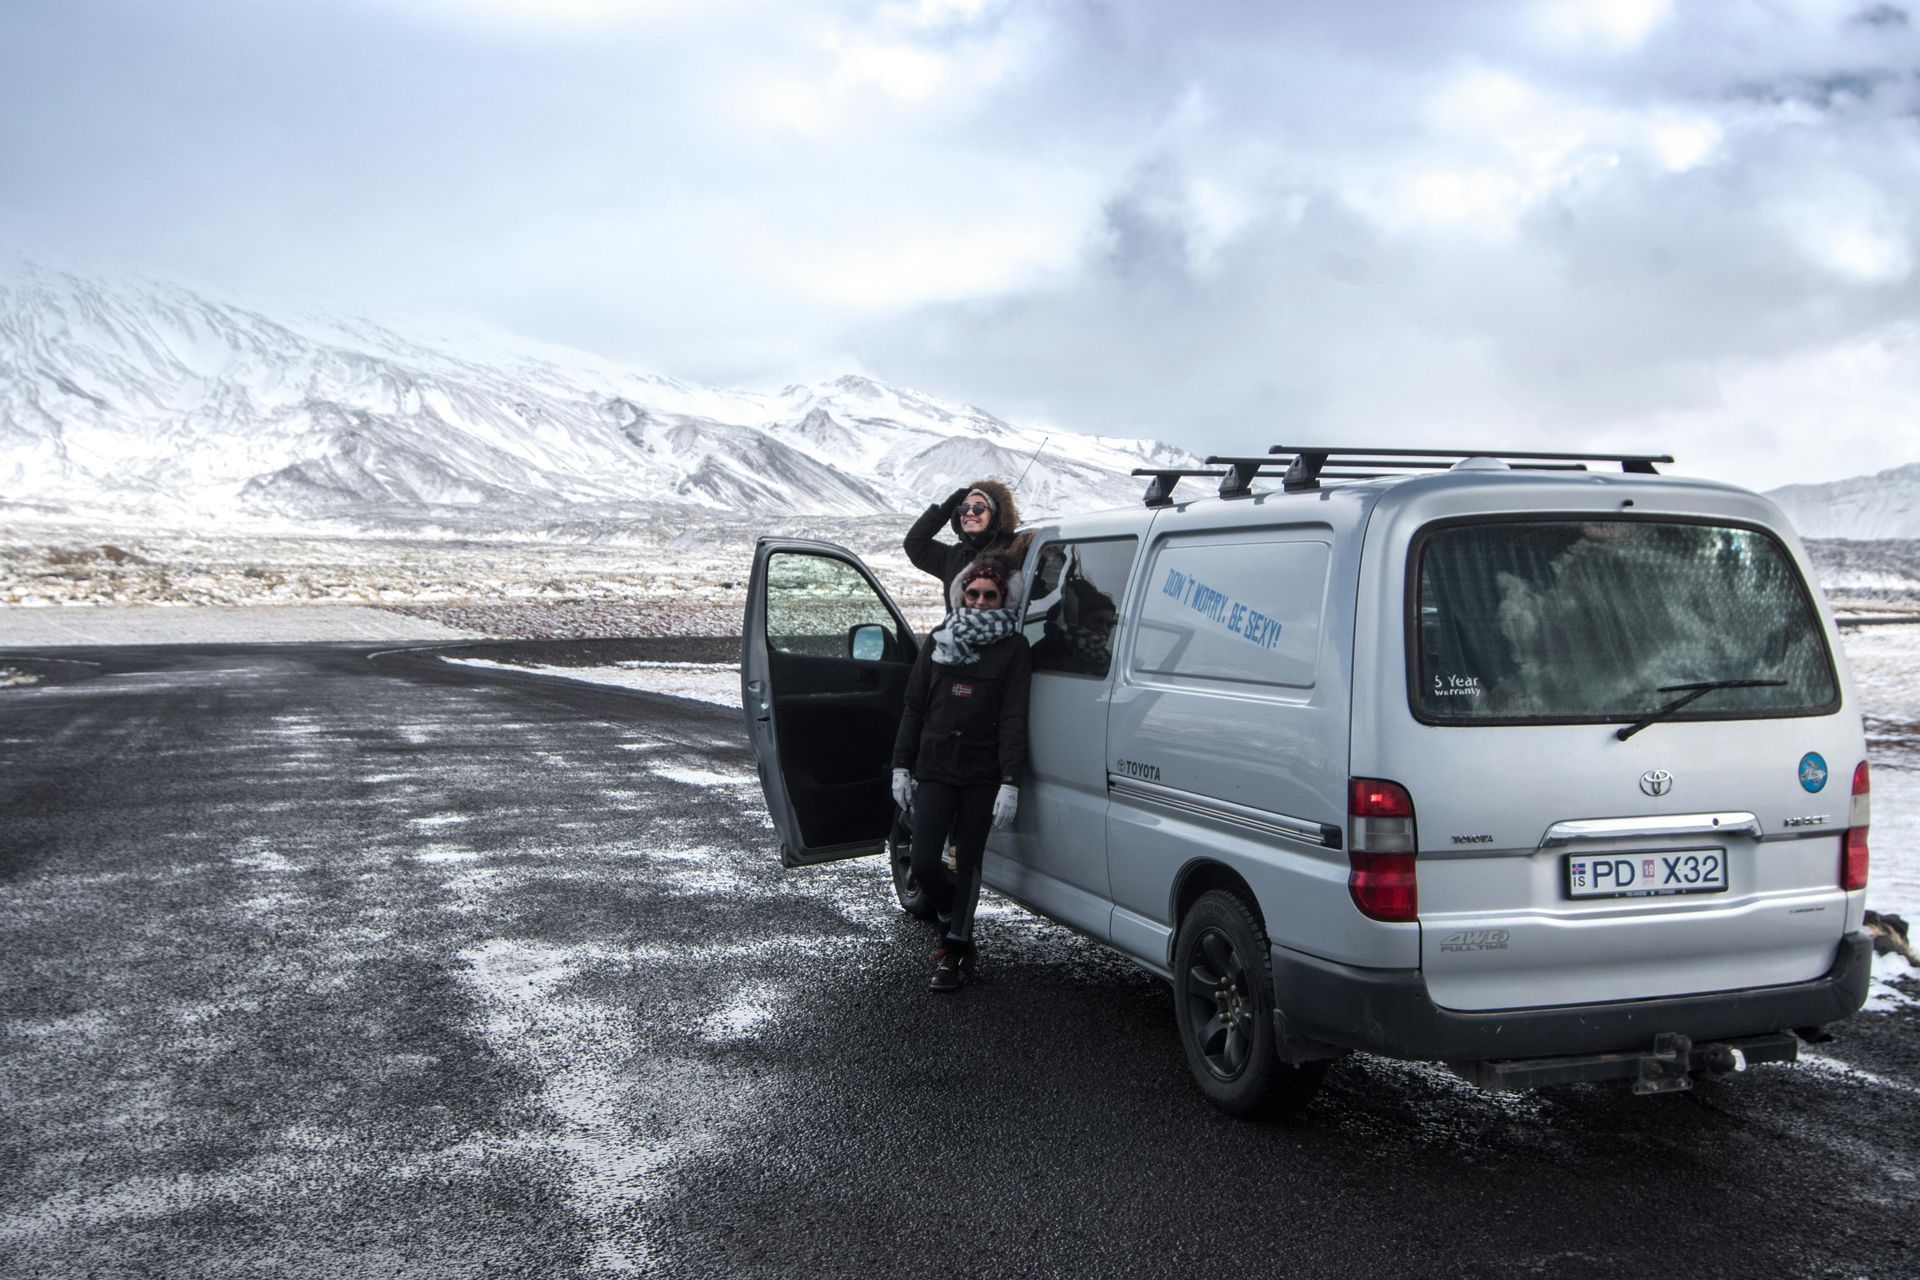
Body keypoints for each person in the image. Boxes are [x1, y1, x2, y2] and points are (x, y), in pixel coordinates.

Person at [890, 559, 1031, 991]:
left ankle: (953, 950)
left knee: (967, 860)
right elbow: (915, 706)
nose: (982, 602)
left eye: (991, 595)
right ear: (961, 596)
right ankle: (954, 915)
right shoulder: (939, 639)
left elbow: (1013, 717)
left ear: (1004, 597)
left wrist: (1010, 780)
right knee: (926, 859)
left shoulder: (1014, 647)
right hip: (935, 764)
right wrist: (900, 764)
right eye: (973, 594)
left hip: (981, 770)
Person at [904, 478, 1030, 611]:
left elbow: (1042, 589)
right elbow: (914, 544)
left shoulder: (1015, 550)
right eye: (963, 508)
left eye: (978, 508)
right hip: (958, 631)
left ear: (995, 514)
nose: (969, 513)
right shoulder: (953, 557)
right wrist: (946, 508)